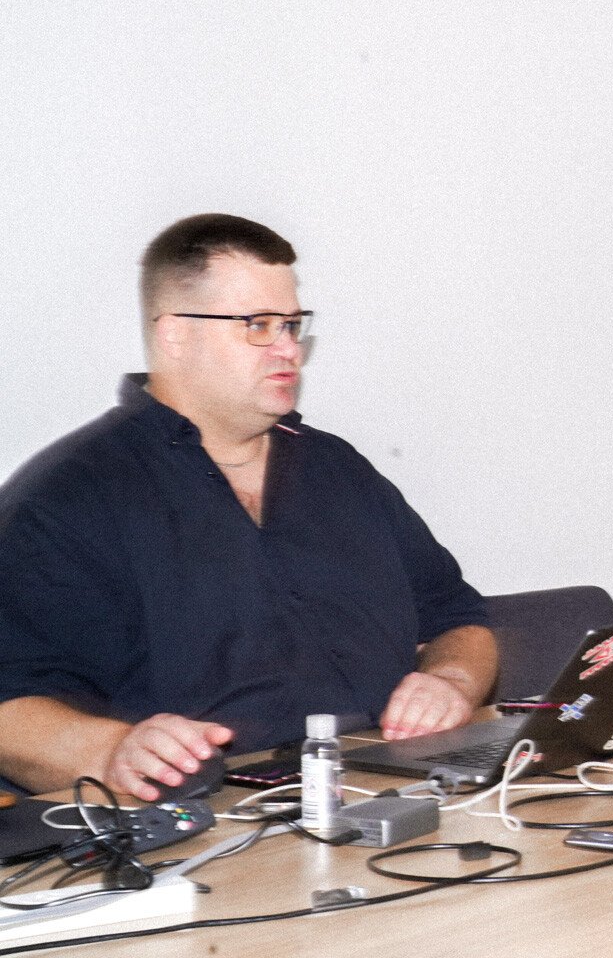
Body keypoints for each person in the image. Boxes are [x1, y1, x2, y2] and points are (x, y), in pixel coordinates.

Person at [0, 214, 496, 801]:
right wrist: (109, 751)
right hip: (209, 819)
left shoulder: (337, 470)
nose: (289, 349)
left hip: (397, 788)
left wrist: (451, 681)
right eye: (258, 326)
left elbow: (459, 616)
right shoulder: (65, 499)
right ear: (175, 335)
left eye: (292, 325)